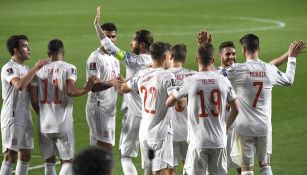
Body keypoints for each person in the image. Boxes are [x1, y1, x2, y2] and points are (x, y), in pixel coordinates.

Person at [224, 34, 305, 175]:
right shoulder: (269, 69)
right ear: (259, 48)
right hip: (264, 127)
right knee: (265, 165)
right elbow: (289, 79)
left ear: (243, 49)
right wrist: (291, 57)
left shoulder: (237, 69)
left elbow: (215, 74)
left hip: (243, 127)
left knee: (246, 168)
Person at [93, 6, 154, 174]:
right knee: (150, 158)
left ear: (141, 44)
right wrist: (126, 83)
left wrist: (97, 26)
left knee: (126, 156)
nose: (130, 43)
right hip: (152, 114)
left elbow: (111, 48)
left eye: (133, 41)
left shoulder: (132, 60)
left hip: (135, 114)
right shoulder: (155, 63)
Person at [166, 43, 239, 175]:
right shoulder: (223, 81)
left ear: (196, 59)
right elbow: (236, 109)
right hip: (219, 140)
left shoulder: (190, 80)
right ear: (212, 60)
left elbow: (169, 102)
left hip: (197, 141)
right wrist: (226, 127)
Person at [30, 39, 96, 175]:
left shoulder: (38, 70)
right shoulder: (69, 68)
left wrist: (42, 115)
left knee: (49, 161)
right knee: (68, 161)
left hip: (44, 124)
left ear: (48, 53)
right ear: (63, 52)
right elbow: (71, 91)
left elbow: (33, 100)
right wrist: (86, 89)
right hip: (62, 123)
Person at [121, 42, 176, 175]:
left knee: (149, 170)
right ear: (165, 56)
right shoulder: (167, 76)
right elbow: (174, 100)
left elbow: (124, 87)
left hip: (144, 132)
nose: (171, 59)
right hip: (160, 134)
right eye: (170, 56)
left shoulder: (142, 74)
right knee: (160, 171)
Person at [0, 35, 48, 175]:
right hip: (12, 117)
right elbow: (19, 85)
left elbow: (31, 96)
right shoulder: (9, 68)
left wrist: (41, 115)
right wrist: (37, 67)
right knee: (10, 155)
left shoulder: (26, 68)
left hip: (25, 116)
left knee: (25, 154)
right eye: (25, 46)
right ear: (15, 50)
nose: (29, 48)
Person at [86, 19, 123, 152]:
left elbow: (117, 84)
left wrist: (123, 86)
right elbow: (92, 86)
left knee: (98, 149)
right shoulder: (95, 58)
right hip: (99, 108)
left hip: (110, 109)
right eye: (107, 36)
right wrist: (111, 82)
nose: (110, 40)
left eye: (113, 36)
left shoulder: (114, 57)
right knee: (104, 149)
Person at [167, 44, 196, 174]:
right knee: (189, 167)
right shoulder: (193, 76)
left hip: (169, 131)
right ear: (184, 60)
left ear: (170, 56)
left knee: (170, 169)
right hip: (189, 131)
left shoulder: (163, 75)